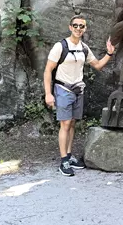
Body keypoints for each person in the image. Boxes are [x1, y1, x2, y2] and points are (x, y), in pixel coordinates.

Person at [44, 15, 115, 176]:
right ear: (70, 27)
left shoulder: (84, 48)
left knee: (72, 124)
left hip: (78, 90)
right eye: (75, 25)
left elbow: (97, 65)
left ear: (85, 29)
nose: (78, 28)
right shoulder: (60, 46)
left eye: (81, 26)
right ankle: (63, 161)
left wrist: (109, 54)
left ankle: (69, 156)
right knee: (65, 124)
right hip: (63, 89)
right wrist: (48, 94)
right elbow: (48, 70)